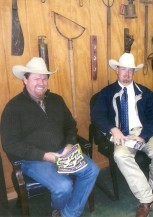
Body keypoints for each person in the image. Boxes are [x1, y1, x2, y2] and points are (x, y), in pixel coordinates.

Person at [0, 57, 100, 217]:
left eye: (44, 78)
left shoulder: (57, 100)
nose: (41, 82)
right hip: (34, 159)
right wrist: (44, 155)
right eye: (36, 78)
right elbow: (10, 144)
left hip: (63, 152)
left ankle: (68, 213)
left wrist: (69, 145)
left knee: (92, 170)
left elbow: (70, 126)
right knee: (63, 187)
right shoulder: (13, 108)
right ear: (25, 80)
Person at [91, 52, 153, 217]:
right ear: (117, 70)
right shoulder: (106, 93)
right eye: (123, 69)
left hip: (143, 131)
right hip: (122, 134)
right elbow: (97, 115)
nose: (127, 74)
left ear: (134, 72)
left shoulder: (145, 93)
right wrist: (113, 128)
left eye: (130, 70)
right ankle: (146, 198)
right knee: (120, 156)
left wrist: (143, 136)